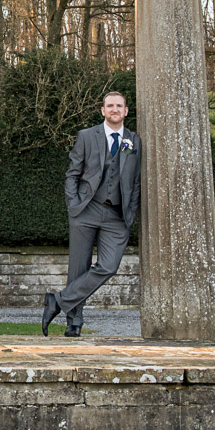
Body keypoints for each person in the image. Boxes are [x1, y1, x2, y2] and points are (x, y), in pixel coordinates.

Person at [42, 91, 141, 338]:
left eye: (119, 106)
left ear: (126, 111)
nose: (115, 109)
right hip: (86, 209)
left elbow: (135, 179)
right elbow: (72, 173)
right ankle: (74, 322)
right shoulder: (87, 136)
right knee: (78, 266)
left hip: (117, 215)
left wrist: (131, 210)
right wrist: (73, 204)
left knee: (108, 266)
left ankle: (58, 301)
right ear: (103, 110)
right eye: (110, 105)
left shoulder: (133, 141)